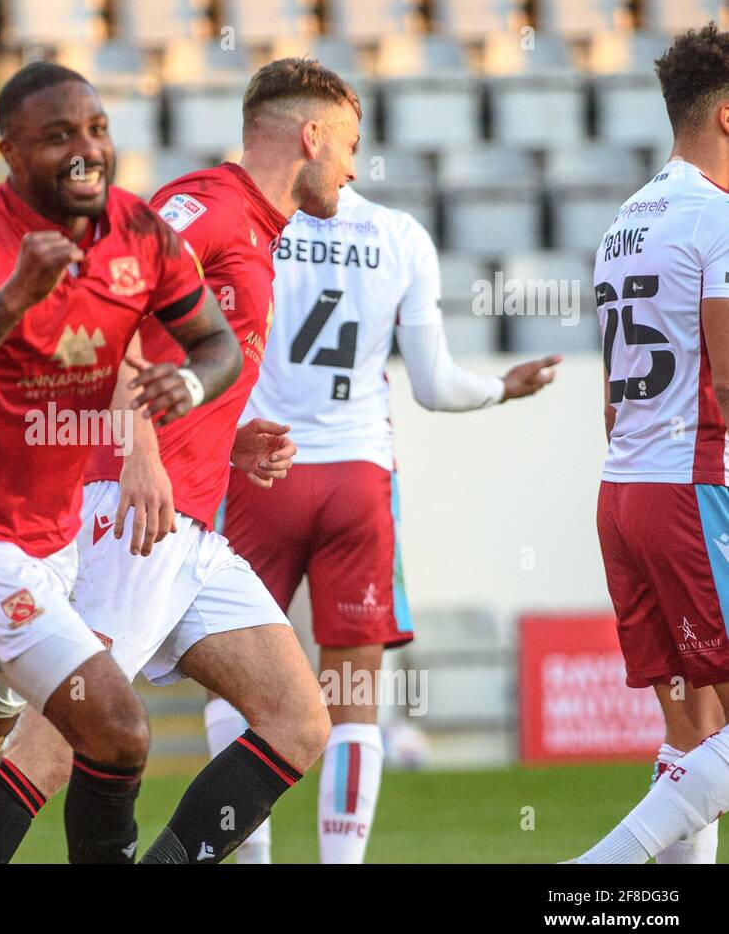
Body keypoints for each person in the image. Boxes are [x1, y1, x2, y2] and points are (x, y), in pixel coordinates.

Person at [0, 57, 359, 865]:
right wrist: (140, 451)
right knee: (66, 735)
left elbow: (172, 351)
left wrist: (227, 434)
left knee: (298, 718)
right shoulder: (205, 205)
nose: (353, 168)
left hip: (192, 533)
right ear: (311, 136)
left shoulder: (257, 229)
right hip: (131, 515)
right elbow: (110, 308)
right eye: (350, 145)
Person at [0, 61, 242, 864]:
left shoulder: (140, 233)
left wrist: (185, 378)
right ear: (10, 152)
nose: (86, 151)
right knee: (116, 730)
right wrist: (12, 296)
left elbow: (218, 344)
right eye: (58, 137)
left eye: (97, 129)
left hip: (48, 542)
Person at [220, 184, 558, 863]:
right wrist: (501, 386)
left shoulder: (251, 224)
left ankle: (248, 857)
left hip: (261, 468)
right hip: (357, 479)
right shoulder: (398, 234)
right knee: (354, 700)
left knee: (238, 688)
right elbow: (433, 384)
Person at [575, 23, 729, 864]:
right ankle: (595, 874)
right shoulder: (719, 217)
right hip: (694, 487)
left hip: (625, 491)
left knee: (693, 733)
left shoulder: (624, 223)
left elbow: (608, 395)